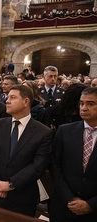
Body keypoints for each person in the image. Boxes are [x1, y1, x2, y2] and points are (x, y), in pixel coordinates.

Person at [0, 85, 52, 216]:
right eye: (7, 97)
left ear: (26, 102)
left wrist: (10, 185)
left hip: (22, 196)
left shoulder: (43, 132)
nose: (7, 101)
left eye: (13, 97)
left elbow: (38, 165)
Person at [50, 87, 97, 222]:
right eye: (81, 103)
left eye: (90, 104)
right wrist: (70, 198)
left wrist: (91, 204)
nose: (84, 108)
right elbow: (55, 166)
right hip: (65, 207)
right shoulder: (65, 131)